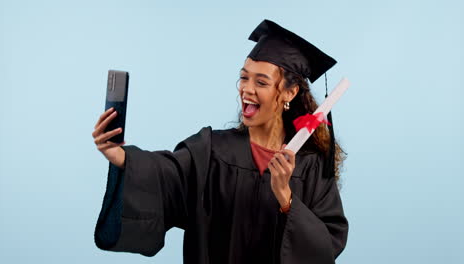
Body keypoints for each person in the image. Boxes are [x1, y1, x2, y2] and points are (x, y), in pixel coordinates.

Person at [92, 19, 348, 264]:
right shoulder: (212, 151)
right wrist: (123, 157)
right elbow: (167, 175)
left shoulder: (311, 167)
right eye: (244, 77)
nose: (247, 88)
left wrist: (286, 199)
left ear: (289, 93)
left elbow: (327, 245)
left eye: (261, 82)